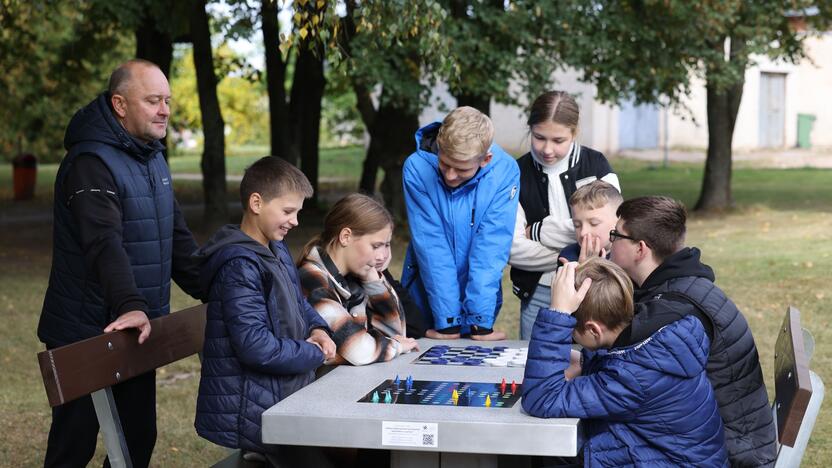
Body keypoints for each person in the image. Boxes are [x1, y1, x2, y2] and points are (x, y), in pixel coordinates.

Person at [37, 59, 203, 467]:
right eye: (152, 101)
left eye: (167, 100)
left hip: (136, 329)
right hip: (86, 329)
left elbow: (176, 240)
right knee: (72, 446)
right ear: (120, 105)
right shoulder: (90, 162)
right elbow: (102, 242)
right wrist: (131, 304)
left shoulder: (151, 157)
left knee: (137, 440)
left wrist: (221, 285)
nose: (165, 109)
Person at [609, 196, 777, 466]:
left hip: (728, 453)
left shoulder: (674, 307)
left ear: (640, 249)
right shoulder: (681, 286)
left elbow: (616, 367)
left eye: (615, 235)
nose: (609, 242)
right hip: (730, 438)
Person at [194, 156, 336, 464]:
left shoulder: (275, 247)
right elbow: (255, 347)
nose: (295, 221)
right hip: (257, 411)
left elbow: (297, 303)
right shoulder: (240, 266)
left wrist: (317, 329)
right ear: (256, 203)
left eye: (297, 212)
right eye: (288, 211)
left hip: (285, 395)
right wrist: (314, 354)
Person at [522, 258, 728, 467]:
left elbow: (541, 398)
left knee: (550, 450)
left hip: (670, 461)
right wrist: (586, 360)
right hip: (677, 457)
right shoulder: (655, 337)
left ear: (594, 330)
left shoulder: (631, 377)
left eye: (572, 331)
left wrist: (557, 315)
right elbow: (618, 358)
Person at [508, 91, 620, 340]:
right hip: (539, 293)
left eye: (558, 140)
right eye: (539, 138)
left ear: (574, 132)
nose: (547, 149)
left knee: (589, 365)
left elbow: (608, 233)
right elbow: (511, 248)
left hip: (595, 289)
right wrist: (573, 258)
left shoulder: (597, 165)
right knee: (536, 365)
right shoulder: (514, 173)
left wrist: (538, 231)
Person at [401, 106, 519, 340]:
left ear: (486, 159)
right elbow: (432, 246)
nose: (450, 176)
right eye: (444, 164)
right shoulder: (416, 168)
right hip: (426, 293)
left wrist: (480, 320)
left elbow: (491, 247)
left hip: (480, 297)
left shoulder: (505, 171)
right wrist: (448, 324)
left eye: (462, 169)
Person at [298, 193, 419, 365]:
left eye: (386, 245)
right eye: (376, 246)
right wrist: (396, 346)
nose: (383, 256)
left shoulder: (351, 274)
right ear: (346, 236)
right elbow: (360, 351)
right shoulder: (314, 280)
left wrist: (372, 280)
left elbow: (394, 333)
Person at [557, 180, 623, 264]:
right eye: (577, 225)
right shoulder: (567, 257)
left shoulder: (628, 258)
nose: (583, 233)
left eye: (594, 223)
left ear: (618, 221)